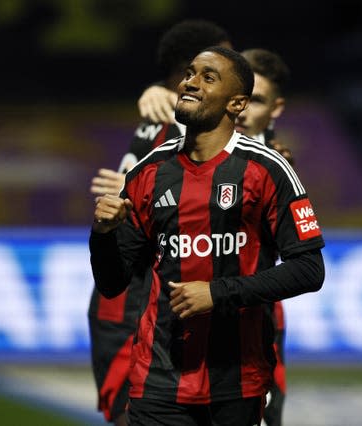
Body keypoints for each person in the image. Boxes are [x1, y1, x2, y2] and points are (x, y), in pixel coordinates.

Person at [90, 46, 325, 425]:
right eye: (189, 73)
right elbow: (112, 281)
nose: (190, 83)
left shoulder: (269, 169)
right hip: (158, 381)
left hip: (236, 382)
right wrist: (102, 233)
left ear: (237, 104)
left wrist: (217, 293)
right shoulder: (150, 171)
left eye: (207, 77)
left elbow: (310, 270)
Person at [135, 47, 294, 426]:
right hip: (167, 356)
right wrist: (156, 90)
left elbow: (305, 264)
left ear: (271, 110)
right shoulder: (170, 152)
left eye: (258, 101)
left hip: (247, 347)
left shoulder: (273, 166)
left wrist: (217, 292)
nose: (248, 111)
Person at [87, 20, 232, 426]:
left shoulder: (168, 112)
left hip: (153, 303)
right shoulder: (183, 123)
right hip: (133, 302)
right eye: (225, 57)